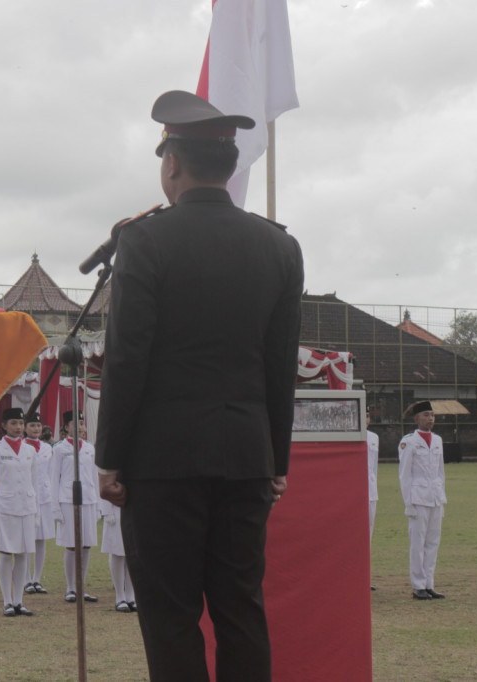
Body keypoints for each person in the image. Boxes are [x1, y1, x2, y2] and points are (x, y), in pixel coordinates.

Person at [95, 90, 303, 681]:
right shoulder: (280, 246)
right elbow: (277, 365)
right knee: (241, 609)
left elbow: (127, 358)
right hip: (246, 458)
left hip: (162, 464)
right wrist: (276, 459)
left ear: (171, 163)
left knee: (170, 616)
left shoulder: (145, 241)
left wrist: (110, 457)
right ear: (231, 165)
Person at [0, 407, 39, 617]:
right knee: (6, 552)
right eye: (14, 423)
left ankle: (19, 600)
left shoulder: (30, 451)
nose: (18, 428)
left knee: (23, 553)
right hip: (5, 507)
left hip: (26, 506)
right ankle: (7, 601)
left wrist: (36, 513)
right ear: (4, 426)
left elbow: (33, 483)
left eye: (20, 423)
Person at [398, 401, 447, 600]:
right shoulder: (408, 441)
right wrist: (408, 503)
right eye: (426, 415)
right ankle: (418, 585)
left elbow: (440, 472)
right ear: (417, 418)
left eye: (432, 415)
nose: (430, 419)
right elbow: (405, 474)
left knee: (432, 543)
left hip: (435, 497)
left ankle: (429, 583)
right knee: (418, 543)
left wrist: (442, 497)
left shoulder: (437, 440)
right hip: (418, 498)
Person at [52, 411, 99, 604]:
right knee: (72, 544)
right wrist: (55, 507)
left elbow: (94, 477)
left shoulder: (89, 448)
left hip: (88, 499)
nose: (79, 427)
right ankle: (70, 587)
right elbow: (54, 478)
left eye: (81, 423)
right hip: (68, 499)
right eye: (75, 424)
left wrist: (98, 506)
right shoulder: (60, 449)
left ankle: (81, 585)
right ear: (66, 427)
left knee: (86, 544)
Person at [24, 412, 54, 595]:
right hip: (27, 497)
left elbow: (51, 473)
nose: (36, 429)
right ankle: (26, 578)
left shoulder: (48, 448)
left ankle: (37, 578)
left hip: (44, 497)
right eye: (32, 425)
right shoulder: (22, 446)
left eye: (38, 425)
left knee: (42, 539)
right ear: (26, 428)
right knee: (28, 539)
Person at [99, 498, 136, 613]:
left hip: (133, 510)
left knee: (132, 553)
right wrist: (107, 511)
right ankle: (120, 597)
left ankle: (130, 596)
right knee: (117, 552)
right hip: (115, 509)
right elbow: (105, 482)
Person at [366, 408, 379, 591]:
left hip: (370, 490)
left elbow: (374, 467)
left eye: (368, 415)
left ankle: (365, 578)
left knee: (368, 535)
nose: (366, 418)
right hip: (352, 491)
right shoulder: (350, 436)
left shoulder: (374, 437)